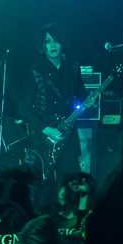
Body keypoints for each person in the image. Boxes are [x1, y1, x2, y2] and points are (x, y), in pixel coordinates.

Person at [19, 23, 90, 212]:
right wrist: (44, 129)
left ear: (62, 43)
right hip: (44, 132)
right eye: (48, 41)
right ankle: (41, 220)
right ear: (42, 46)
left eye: (56, 40)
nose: (52, 45)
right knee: (43, 183)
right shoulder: (35, 71)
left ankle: (69, 219)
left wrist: (89, 100)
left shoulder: (72, 67)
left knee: (70, 179)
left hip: (67, 129)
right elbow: (24, 107)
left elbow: (80, 93)